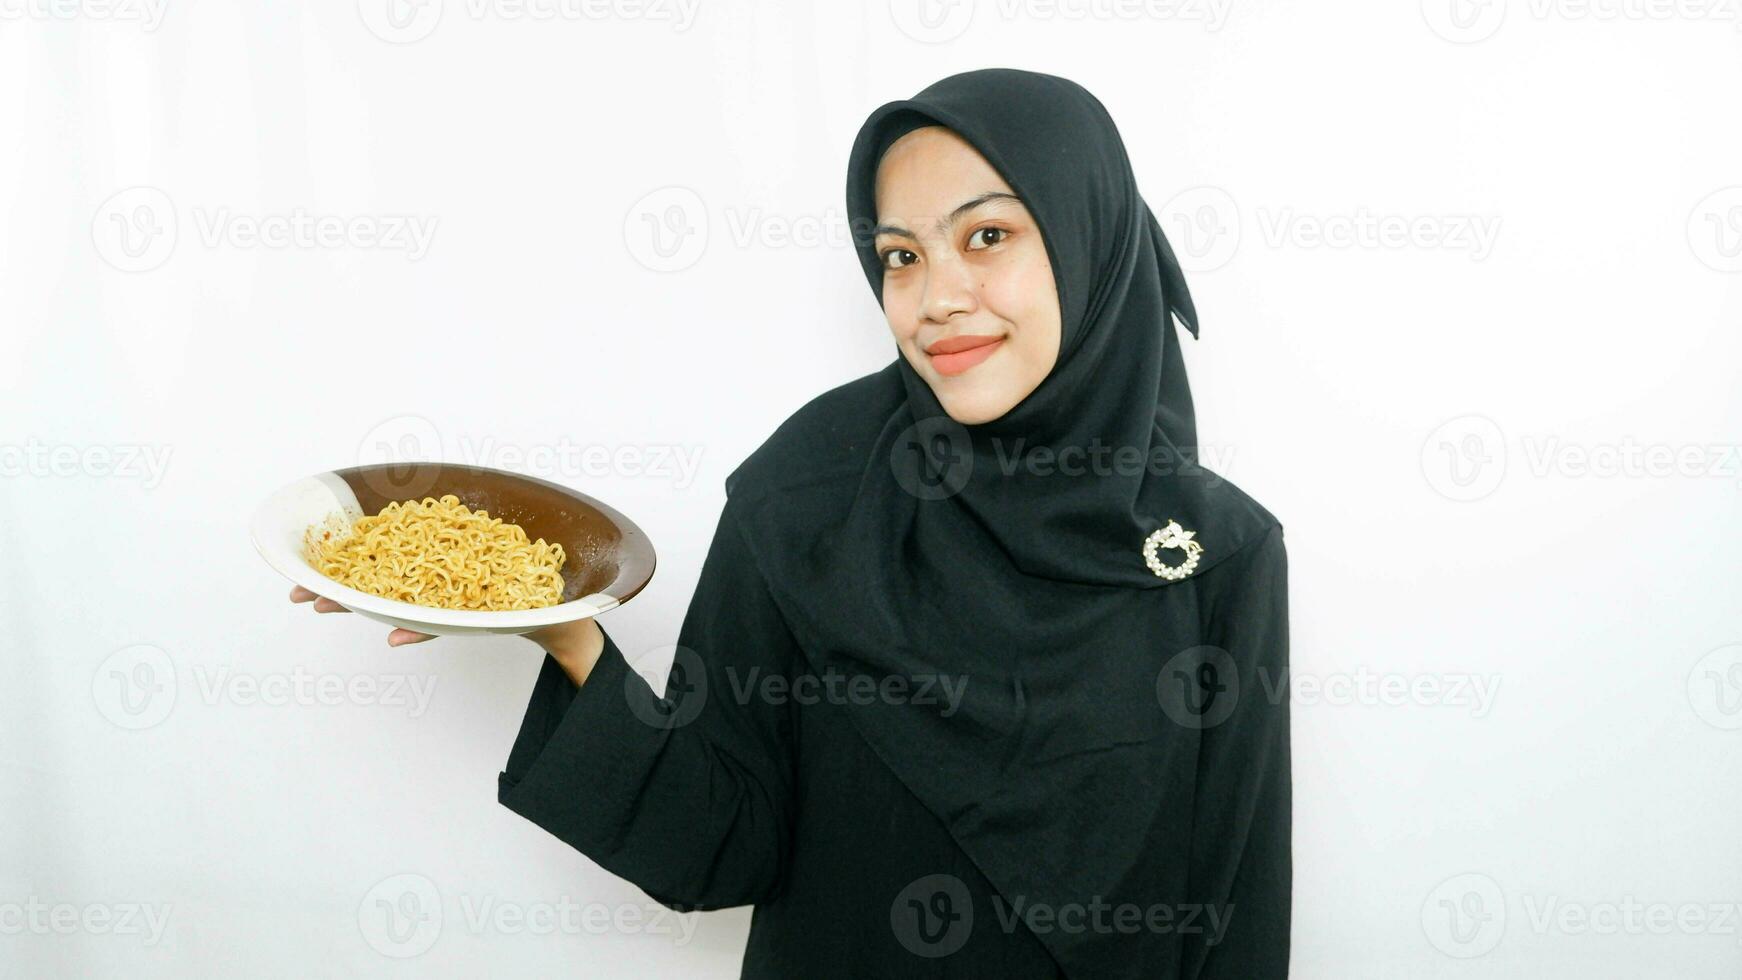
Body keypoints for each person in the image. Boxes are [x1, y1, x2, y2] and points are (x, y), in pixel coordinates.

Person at [291, 67, 1292, 979]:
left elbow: (1230, 914)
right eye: (900, 255)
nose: (936, 297)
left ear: (1088, 239)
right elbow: (721, 843)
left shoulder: (1216, 552)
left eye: (986, 236)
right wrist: (561, 630)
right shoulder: (809, 493)